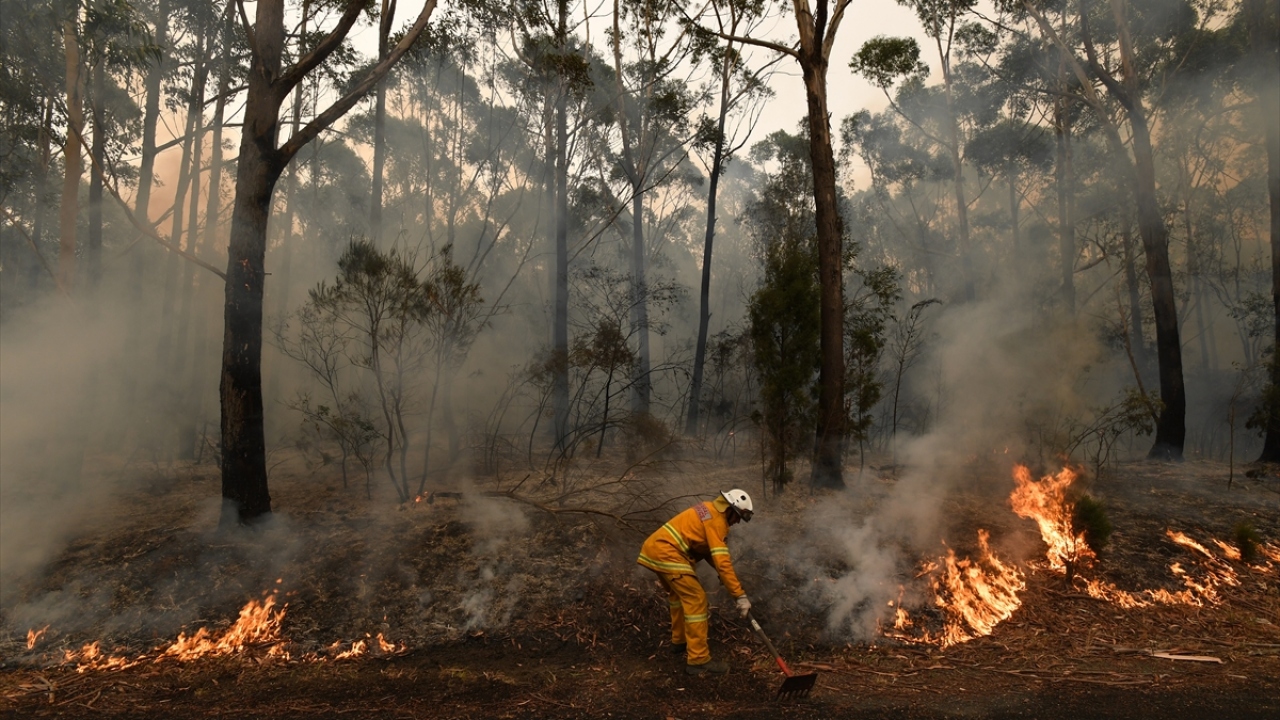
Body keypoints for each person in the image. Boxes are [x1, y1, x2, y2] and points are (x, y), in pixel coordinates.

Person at [636, 489, 753, 675]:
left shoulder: (707, 509)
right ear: (729, 509)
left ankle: (679, 642)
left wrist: (722, 575)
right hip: (669, 553)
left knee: (677, 595)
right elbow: (722, 561)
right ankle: (698, 660)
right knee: (696, 599)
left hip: (655, 548)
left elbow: (704, 548)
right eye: (738, 516)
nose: (738, 521)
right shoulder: (718, 521)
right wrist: (740, 596)